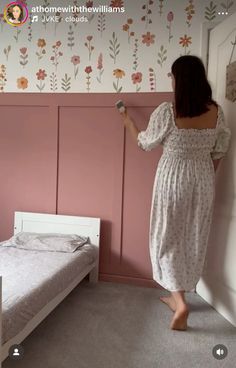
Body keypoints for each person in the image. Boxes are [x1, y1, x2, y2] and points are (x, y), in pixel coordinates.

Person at [118, 55, 231, 331]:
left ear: (178, 80)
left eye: (171, 76)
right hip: (203, 179)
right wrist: (203, 171)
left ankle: (179, 302)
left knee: (166, 237)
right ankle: (177, 295)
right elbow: (219, 150)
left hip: (172, 180)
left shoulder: (168, 112)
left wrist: (127, 121)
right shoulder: (216, 112)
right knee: (193, 236)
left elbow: (144, 143)